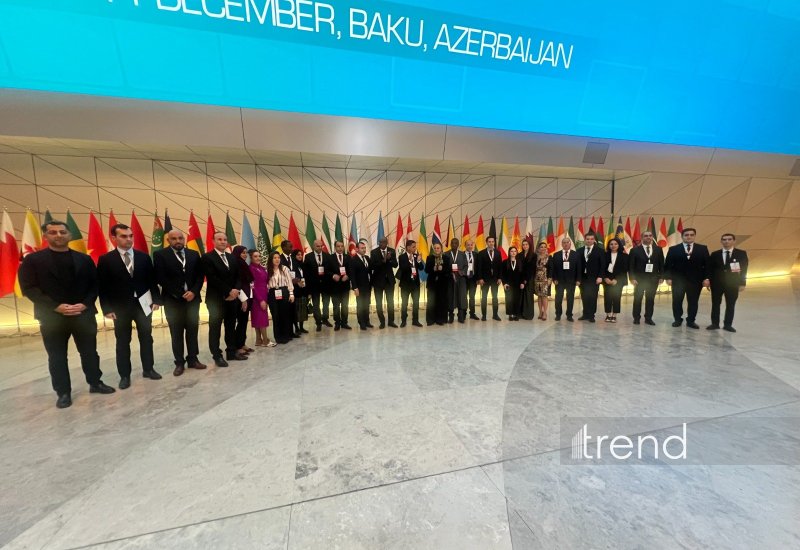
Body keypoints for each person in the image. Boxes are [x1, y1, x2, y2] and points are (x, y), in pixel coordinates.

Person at [18, 220, 115, 409]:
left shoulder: (84, 259)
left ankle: (95, 383)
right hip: (52, 317)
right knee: (57, 356)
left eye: (62, 232)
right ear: (45, 236)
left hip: (82, 314)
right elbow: (29, 289)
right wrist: (56, 306)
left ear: (69, 235)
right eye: (53, 232)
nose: (58, 236)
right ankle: (63, 392)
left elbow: (94, 285)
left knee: (89, 352)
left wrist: (85, 304)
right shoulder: (33, 260)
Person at [97, 223, 163, 389]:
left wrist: (157, 299)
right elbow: (102, 287)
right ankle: (124, 375)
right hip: (120, 308)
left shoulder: (143, 257)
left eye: (130, 236)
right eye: (124, 236)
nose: (128, 239)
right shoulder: (106, 260)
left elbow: (152, 281)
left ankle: (148, 369)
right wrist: (107, 309)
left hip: (144, 305)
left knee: (147, 338)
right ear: (114, 238)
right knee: (123, 342)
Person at [153, 229, 207, 376]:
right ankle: (179, 362)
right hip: (173, 301)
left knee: (192, 330)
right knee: (176, 333)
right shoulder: (160, 255)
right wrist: (180, 293)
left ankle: (193, 359)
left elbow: (199, 275)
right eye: (174, 238)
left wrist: (194, 292)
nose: (178, 241)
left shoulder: (193, 254)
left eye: (180, 238)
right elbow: (160, 277)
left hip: (192, 300)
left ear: (184, 239)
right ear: (168, 240)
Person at [202, 231, 245, 367]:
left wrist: (236, 290)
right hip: (216, 299)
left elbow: (238, 277)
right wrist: (228, 291)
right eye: (219, 239)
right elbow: (212, 278)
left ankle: (231, 352)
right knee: (215, 328)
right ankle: (217, 355)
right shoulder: (207, 257)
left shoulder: (231, 257)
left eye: (225, 239)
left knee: (230, 326)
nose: (222, 242)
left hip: (232, 299)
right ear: (213, 241)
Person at [664, 228, 710, 329]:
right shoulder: (673, 249)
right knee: (677, 301)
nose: (689, 236)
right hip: (677, 281)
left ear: (694, 236)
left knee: (693, 302)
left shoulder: (702, 248)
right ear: (682, 236)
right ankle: (677, 319)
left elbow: (707, 265)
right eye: (686, 235)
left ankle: (691, 321)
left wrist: (706, 278)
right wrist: (668, 278)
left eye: (691, 235)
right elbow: (667, 265)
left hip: (695, 281)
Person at [708, 233, 748, 332]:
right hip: (717, 284)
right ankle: (715, 323)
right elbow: (710, 269)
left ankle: (728, 324)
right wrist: (708, 280)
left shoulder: (741, 253)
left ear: (734, 241)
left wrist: (742, 283)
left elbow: (744, 270)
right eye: (724, 239)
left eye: (729, 239)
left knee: (731, 304)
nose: (727, 241)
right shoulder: (715, 254)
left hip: (733, 284)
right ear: (721, 241)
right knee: (715, 304)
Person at [628, 230, 664, 325]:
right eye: (646, 236)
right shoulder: (634, 250)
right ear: (642, 238)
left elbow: (661, 264)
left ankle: (648, 318)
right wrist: (632, 278)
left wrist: (661, 276)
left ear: (652, 237)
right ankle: (636, 318)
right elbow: (631, 266)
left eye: (650, 235)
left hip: (653, 279)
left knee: (650, 299)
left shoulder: (658, 249)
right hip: (639, 279)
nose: (648, 237)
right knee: (637, 299)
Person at [266, 250, 296, 343]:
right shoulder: (267, 270)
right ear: (271, 259)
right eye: (274, 258)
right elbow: (265, 284)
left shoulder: (284, 268)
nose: (277, 259)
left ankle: (286, 335)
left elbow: (289, 281)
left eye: (278, 257)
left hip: (284, 291)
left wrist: (291, 293)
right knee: (275, 315)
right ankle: (278, 337)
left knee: (284, 314)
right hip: (272, 293)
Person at [303, 239, 333, 332]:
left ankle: (325, 319)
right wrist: (308, 289)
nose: (320, 248)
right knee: (316, 305)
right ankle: (318, 322)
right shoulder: (308, 257)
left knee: (326, 304)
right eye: (318, 246)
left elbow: (330, 270)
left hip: (326, 285)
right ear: (313, 247)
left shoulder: (327, 256)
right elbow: (306, 273)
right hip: (314, 285)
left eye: (321, 246)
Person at [577, 232, 606, 322]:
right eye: (587, 239)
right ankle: (585, 314)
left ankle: (591, 315)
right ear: (585, 240)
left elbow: (603, 265)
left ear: (594, 240)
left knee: (593, 297)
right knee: (584, 296)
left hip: (594, 278)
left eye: (591, 239)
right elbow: (577, 266)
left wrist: (600, 276)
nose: (589, 241)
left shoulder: (600, 251)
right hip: (583, 278)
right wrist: (578, 278)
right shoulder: (579, 251)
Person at [248, 250, 275, 347]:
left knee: (259, 318)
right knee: (261, 319)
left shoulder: (262, 268)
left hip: (264, 294)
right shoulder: (251, 268)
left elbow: (266, 280)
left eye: (259, 256)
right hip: (257, 297)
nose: (258, 258)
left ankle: (258, 340)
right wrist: (260, 300)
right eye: (255, 256)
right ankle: (265, 341)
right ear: (251, 258)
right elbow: (252, 286)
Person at [370, 236, 398, 328]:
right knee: (379, 303)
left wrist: (389, 259)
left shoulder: (392, 251)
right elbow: (372, 266)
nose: (383, 244)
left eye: (384, 242)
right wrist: (383, 261)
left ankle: (391, 321)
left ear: (387, 242)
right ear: (379, 243)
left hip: (389, 281)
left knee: (390, 302)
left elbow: (395, 264)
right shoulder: (374, 252)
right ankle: (382, 322)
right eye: (381, 242)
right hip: (378, 281)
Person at [396, 239, 425, 327]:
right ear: (408, 247)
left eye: (415, 246)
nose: (415, 248)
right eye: (413, 247)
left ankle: (415, 320)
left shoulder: (416, 256)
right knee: (404, 303)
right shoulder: (402, 257)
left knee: (416, 303)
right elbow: (403, 269)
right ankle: (403, 321)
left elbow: (420, 268)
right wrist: (409, 261)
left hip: (415, 284)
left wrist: (419, 261)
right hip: (405, 284)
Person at [232, 245, 253, 356]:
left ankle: (242, 343)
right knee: (240, 322)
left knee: (244, 321)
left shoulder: (243, 263)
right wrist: (243, 299)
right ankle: (237, 346)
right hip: (240, 297)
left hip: (246, 296)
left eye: (246, 252)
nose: (245, 254)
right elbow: (238, 283)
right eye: (242, 252)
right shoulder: (237, 263)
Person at [550, 237, 578, 322]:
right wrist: (554, 279)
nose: (566, 244)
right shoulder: (556, 254)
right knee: (558, 298)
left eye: (567, 242)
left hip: (571, 281)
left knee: (570, 299)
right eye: (564, 243)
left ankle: (569, 315)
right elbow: (553, 269)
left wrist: (578, 280)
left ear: (570, 244)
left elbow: (579, 268)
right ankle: (558, 314)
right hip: (559, 281)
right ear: (562, 244)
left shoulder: (576, 254)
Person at [327, 240, 352, 330]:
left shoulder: (348, 257)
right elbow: (326, 271)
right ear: (335, 247)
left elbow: (351, 270)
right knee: (336, 306)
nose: (340, 248)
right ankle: (337, 323)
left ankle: (344, 322)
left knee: (345, 305)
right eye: (338, 246)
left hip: (345, 286)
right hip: (334, 286)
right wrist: (333, 275)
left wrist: (348, 276)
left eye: (342, 246)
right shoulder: (330, 258)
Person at [602, 238, 629, 323]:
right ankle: (608, 314)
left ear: (619, 245)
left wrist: (616, 280)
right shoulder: (604, 255)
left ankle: (614, 315)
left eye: (615, 244)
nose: (613, 246)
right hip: (607, 280)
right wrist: (605, 278)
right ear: (608, 246)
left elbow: (624, 269)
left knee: (617, 298)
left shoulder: (625, 256)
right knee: (607, 297)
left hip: (618, 280)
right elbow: (601, 268)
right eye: (611, 244)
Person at [425, 242, 452, 325]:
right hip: (432, 283)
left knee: (442, 301)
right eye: (435, 248)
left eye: (438, 248)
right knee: (431, 301)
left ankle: (441, 319)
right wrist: (432, 269)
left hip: (442, 283)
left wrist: (442, 269)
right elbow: (426, 270)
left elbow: (448, 270)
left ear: (441, 249)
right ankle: (430, 320)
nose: (436, 249)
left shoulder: (446, 258)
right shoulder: (429, 258)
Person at [477, 236, 503, 321]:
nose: (491, 243)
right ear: (486, 242)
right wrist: (480, 278)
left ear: (494, 242)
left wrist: (500, 278)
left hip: (495, 279)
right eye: (489, 241)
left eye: (492, 241)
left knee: (495, 297)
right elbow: (479, 267)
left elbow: (500, 266)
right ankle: (484, 315)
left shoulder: (498, 253)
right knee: (484, 298)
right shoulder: (481, 253)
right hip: (484, 279)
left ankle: (495, 315)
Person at [279, 240, 301, 337]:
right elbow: (278, 274)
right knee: (286, 311)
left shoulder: (293, 258)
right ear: (283, 247)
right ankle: (287, 331)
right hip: (284, 289)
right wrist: (289, 281)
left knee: (293, 310)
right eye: (289, 247)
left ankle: (294, 330)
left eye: (291, 247)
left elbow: (298, 271)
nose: (291, 249)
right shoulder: (279, 258)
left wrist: (298, 279)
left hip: (295, 288)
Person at [351, 241, 373, 330]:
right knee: (360, 305)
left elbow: (370, 270)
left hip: (367, 286)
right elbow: (352, 276)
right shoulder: (353, 260)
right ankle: (361, 323)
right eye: (362, 248)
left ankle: (367, 321)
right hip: (359, 287)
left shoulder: (367, 258)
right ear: (357, 249)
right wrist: (355, 288)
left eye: (364, 248)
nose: (364, 250)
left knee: (367, 304)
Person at [447, 238, 468, 323]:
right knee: (450, 297)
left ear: (458, 244)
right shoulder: (446, 254)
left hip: (461, 279)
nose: (454, 245)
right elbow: (444, 267)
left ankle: (461, 316)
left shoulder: (462, 254)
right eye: (452, 243)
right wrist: (449, 272)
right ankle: (451, 316)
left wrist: (461, 272)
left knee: (461, 297)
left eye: (456, 243)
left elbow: (466, 266)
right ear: (450, 244)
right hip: (450, 279)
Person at [502, 246, 525, 321]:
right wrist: (504, 283)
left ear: (516, 252)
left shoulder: (520, 262)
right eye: (512, 251)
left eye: (515, 251)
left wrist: (522, 283)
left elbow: (522, 274)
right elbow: (503, 274)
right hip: (508, 285)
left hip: (518, 284)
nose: (513, 253)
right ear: (509, 252)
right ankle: (510, 314)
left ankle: (516, 314)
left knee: (517, 299)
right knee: (509, 300)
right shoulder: (505, 262)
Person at [533, 241, 552, 320]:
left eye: (545, 247)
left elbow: (551, 268)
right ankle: (540, 312)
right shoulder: (535, 257)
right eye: (541, 247)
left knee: (544, 296)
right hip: (537, 280)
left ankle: (545, 313)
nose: (543, 248)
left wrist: (550, 279)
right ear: (538, 249)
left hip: (545, 280)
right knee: (539, 296)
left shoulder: (549, 257)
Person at [292, 248, 310, 335]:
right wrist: (297, 282)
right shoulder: (292, 265)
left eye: (301, 254)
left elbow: (306, 277)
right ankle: (296, 328)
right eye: (298, 255)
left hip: (303, 290)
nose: (300, 256)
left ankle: (302, 327)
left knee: (302, 309)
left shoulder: (303, 265)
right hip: (296, 290)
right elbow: (291, 278)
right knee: (296, 310)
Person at [519, 240, 536, 320]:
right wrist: (522, 279)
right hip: (521, 278)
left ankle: (528, 315)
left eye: (526, 244)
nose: (525, 246)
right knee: (521, 296)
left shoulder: (533, 255)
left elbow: (532, 269)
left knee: (528, 296)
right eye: (523, 245)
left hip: (529, 278)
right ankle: (521, 314)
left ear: (529, 246)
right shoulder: (519, 255)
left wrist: (526, 279)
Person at [464, 239, 479, 320]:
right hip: (464, 279)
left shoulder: (476, 254)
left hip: (473, 279)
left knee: (472, 297)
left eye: (471, 245)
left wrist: (478, 278)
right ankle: (463, 313)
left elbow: (479, 267)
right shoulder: (462, 255)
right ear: (465, 246)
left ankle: (472, 313)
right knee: (464, 297)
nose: (470, 246)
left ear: (473, 245)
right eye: (468, 245)